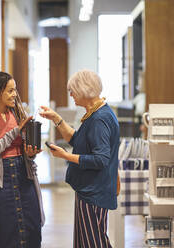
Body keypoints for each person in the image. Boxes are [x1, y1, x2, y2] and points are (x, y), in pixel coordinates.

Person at [40, 70, 119, 248]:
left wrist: (65, 156)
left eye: (73, 90)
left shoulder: (99, 119)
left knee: (93, 242)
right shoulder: (97, 113)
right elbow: (77, 140)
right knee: (88, 241)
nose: (71, 95)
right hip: (91, 189)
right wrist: (56, 118)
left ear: (84, 90)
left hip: (94, 191)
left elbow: (100, 159)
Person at [0, 72, 45, 248]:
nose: (15, 94)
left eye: (15, 90)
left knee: (32, 227)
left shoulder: (18, 114)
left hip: (24, 175)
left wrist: (30, 153)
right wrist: (14, 132)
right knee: (7, 231)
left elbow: (26, 148)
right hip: (1, 181)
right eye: (10, 90)